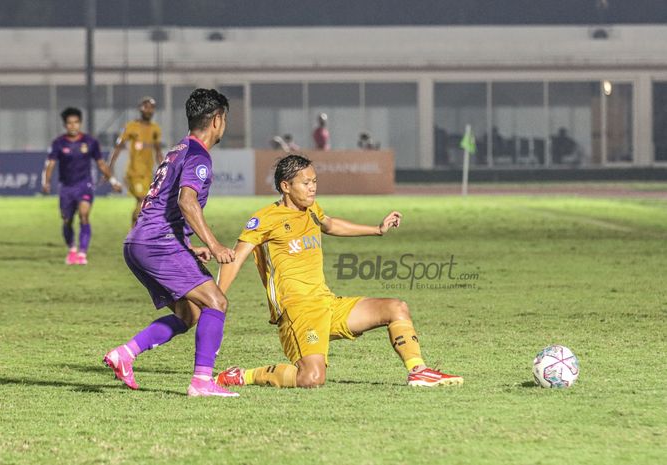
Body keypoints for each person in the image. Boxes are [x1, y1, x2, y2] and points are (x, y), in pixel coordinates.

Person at [214, 154, 463, 389]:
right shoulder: (265, 219)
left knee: (396, 307)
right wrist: (216, 298)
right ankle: (242, 375)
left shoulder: (311, 210)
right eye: (306, 183)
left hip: (327, 303)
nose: (312, 188)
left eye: (314, 182)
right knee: (311, 378)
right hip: (298, 311)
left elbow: (330, 224)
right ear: (285, 186)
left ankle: (418, 370)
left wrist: (377, 229)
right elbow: (235, 259)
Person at [103, 88, 239, 398]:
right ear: (217, 120)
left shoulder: (177, 150)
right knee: (216, 302)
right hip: (156, 244)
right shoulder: (198, 156)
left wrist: (189, 247)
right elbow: (186, 201)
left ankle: (125, 354)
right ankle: (202, 382)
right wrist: (216, 245)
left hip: (139, 242)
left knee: (189, 314)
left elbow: (164, 207)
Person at [42, 107, 122, 265]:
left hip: (84, 185)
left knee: (84, 215)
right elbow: (50, 164)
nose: (73, 126)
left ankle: (82, 252)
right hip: (66, 187)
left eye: (76, 122)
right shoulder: (59, 143)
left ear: (80, 123)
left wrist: (113, 181)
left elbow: (101, 164)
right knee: (67, 220)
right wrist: (46, 182)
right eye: (70, 123)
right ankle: (72, 248)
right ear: (65, 125)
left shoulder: (90, 142)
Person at [108, 96, 163, 227]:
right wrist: (110, 166)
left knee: (145, 205)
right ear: (140, 109)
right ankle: (135, 233)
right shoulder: (131, 126)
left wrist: (164, 169)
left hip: (147, 174)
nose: (149, 110)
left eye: (152, 108)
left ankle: (135, 234)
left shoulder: (155, 129)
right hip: (133, 173)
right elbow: (118, 146)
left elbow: (158, 152)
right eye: (146, 107)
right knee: (142, 199)